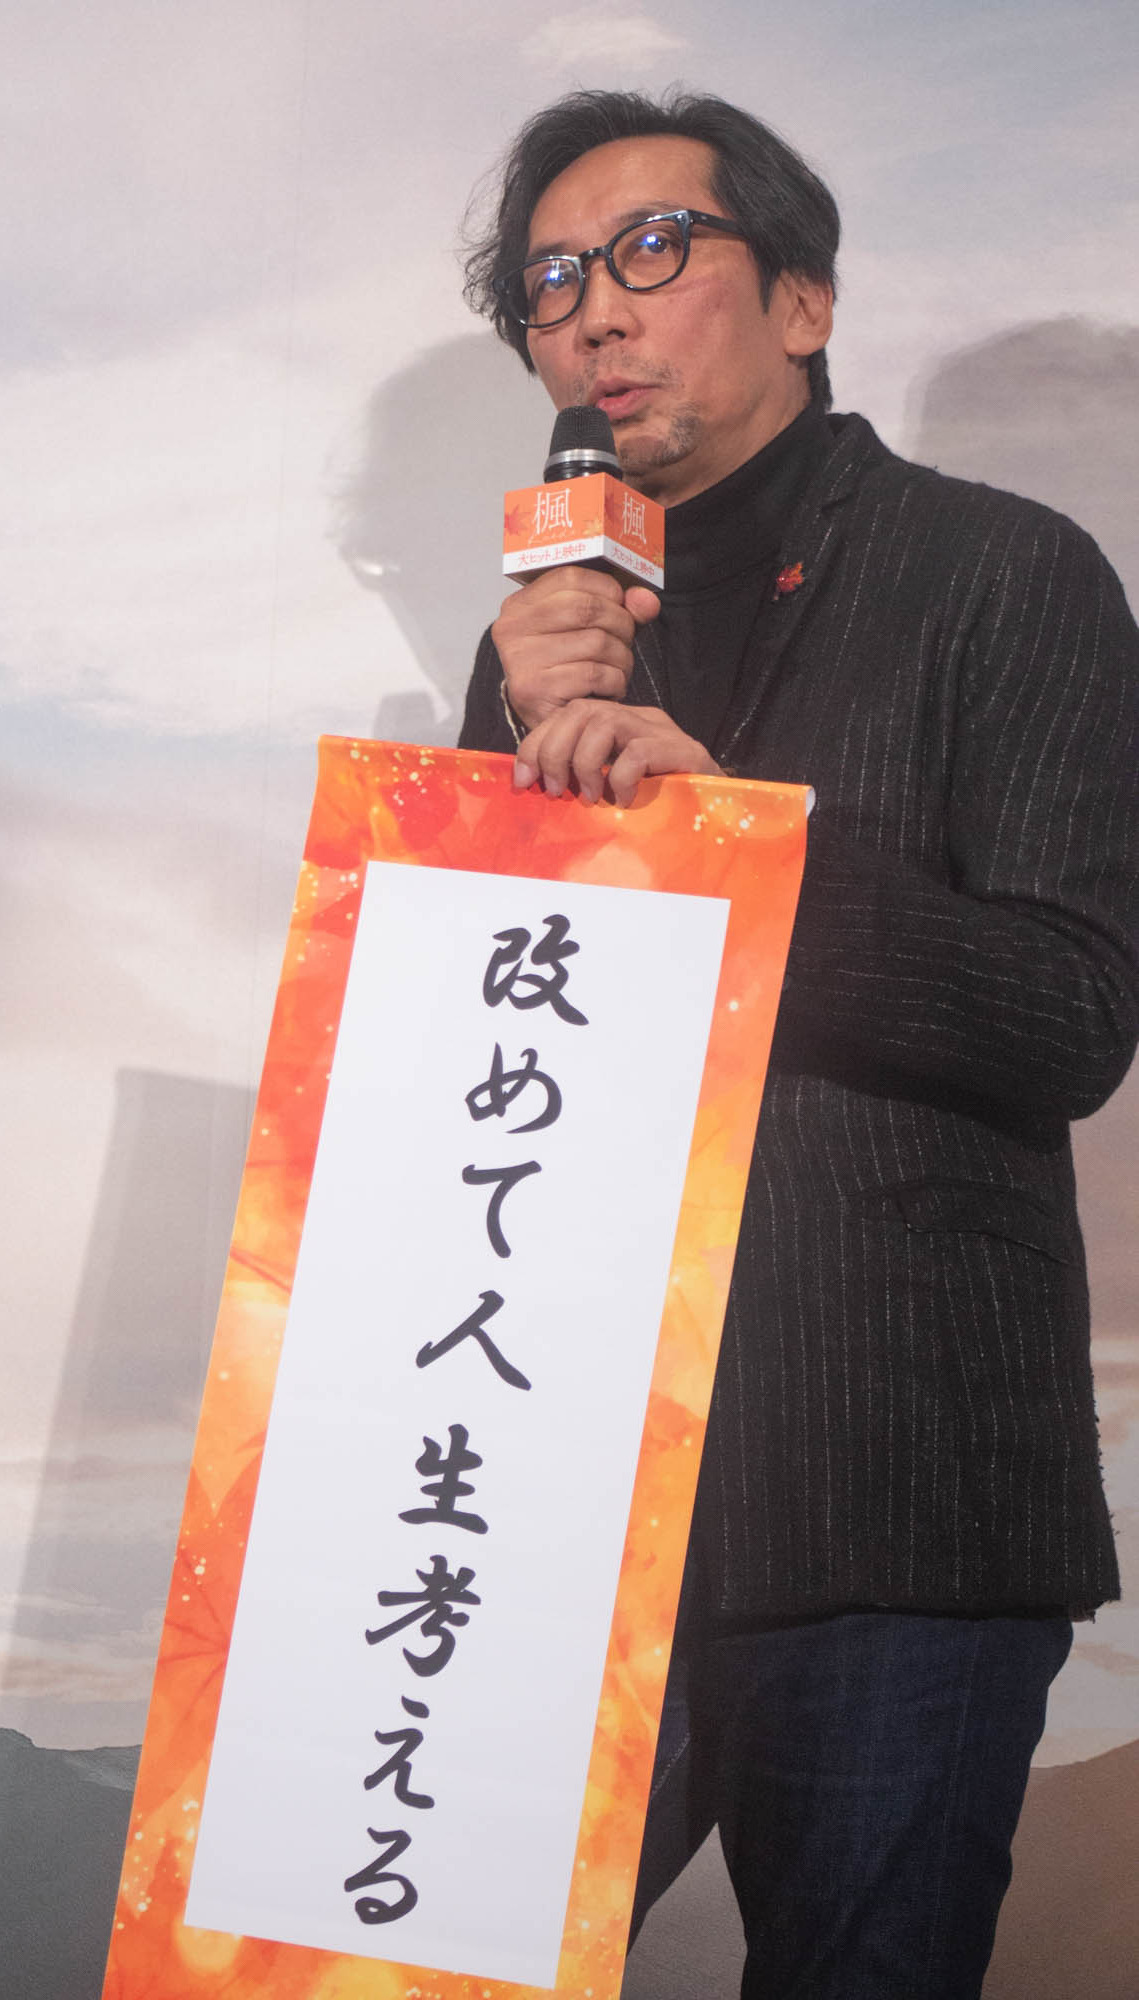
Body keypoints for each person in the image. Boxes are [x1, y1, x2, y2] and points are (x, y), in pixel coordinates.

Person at [457, 90, 1139, 1999]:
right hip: (556, 1490)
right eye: (550, 283)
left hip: (890, 1499)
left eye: (649, 251)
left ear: (804, 300)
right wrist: (496, 740)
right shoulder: (552, 635)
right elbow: (470, 1038)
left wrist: (727, 849)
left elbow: (1069, 1011)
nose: (594, 312)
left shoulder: (1004, 571)